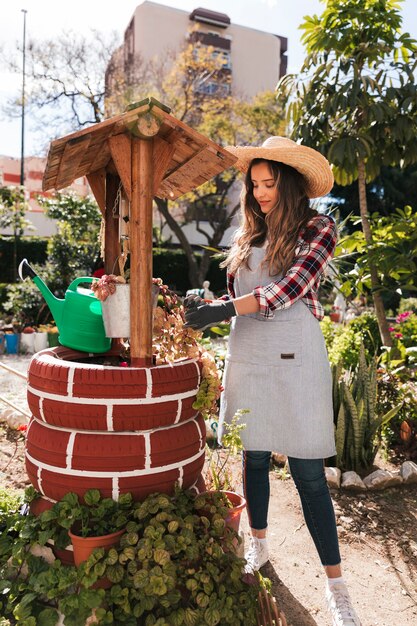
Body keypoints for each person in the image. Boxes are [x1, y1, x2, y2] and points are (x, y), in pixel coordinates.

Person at [184, 136, 361, 626]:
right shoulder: (247, 236)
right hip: (249, 351)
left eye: (270, 184)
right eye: (255, 184)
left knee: (308, 474)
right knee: (254, 456)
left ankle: (337, 588)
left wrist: (221, 310)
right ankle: (257, 548)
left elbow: (289, 289)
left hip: (297, 354)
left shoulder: (318, 227)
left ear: (290, 184)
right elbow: (237, 293)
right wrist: (208, 308)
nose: (261, 193)